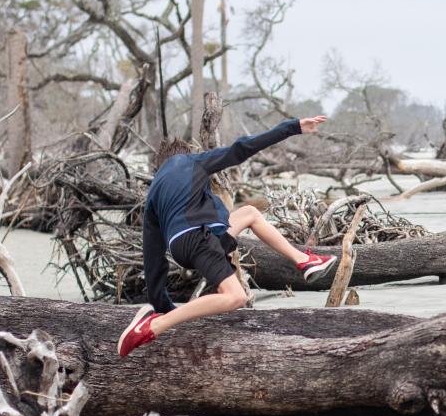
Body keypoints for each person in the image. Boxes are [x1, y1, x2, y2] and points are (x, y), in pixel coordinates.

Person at [118, 115, 336, 356]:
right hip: (198, 237)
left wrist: (161, 304)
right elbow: (241, 148)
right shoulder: (192, 162)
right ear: (187, 153)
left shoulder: (154, 193)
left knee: (249, 213)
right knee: (235, 297)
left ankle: (304, 260)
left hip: (186, 244)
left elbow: (153, 259)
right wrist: (292, 127)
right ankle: (152, 327)